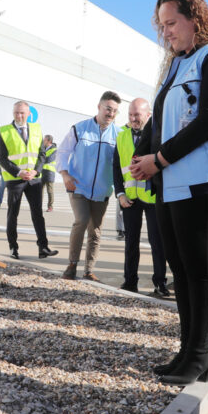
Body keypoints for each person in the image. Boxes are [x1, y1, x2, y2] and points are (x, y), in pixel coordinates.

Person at [129, 0, 208, 385]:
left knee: (200, 268)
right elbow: (160, 120)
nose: (166, 33)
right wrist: (143, 156)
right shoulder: (179, 64)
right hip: (174, 182)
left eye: (172, 23)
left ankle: (200, 354)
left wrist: (158, 159)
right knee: (180, 268)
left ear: (195, 17)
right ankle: (188, 350)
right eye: (162, 26)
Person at [57, 92, 122, 280]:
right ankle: (71, 265)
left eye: (115, 111)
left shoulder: (119, 135)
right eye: (108, 108)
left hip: (102, 190)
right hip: (79, 186)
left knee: (95, 230)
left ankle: (89, 270)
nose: (111, 113)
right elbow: (62, 152)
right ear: (99, 107)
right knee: (82, 220)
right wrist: (65, 174)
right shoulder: (80, 129)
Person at [114, 97, 168, 296]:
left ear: (148, 115)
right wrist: (119, 193)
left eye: (137, 114)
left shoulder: (159, 134)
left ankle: (160, 283)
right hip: (129, 198)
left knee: (157, 243)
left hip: (153, 198)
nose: (133, 118)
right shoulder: (121, 135)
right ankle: (130, 282)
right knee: (131, 242)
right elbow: (116, 168)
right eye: (130, 114)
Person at [0, 100, 58, 260]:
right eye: (16, 112)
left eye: (22, 113)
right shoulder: (3, 131)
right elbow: (1, 158)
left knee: (38, 214)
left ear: (28, 114)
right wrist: (19, 172)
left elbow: (42, 154)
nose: (19, 115)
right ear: (13, 112)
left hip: (34, 179)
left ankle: (43, 247)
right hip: (15, 180)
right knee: (12, 214)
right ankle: (13, 248)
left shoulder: (37, 129)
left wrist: (36, 171)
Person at [42, 134, 57, 212]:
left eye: (44, 140)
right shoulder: (42, 148)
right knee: (40, 190)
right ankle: (38, 206)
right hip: (41, 172)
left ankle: (50, 206)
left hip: (49, 172)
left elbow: (48, 159)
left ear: (49, 141)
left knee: (49, 190)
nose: (43, 141)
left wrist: (41, 159)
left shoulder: (54, 149)